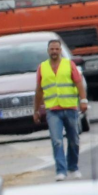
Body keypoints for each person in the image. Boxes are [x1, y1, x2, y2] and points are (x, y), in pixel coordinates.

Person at [33, 39, 88, 182]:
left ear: (60, 50)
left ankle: (73, 167)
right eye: (52, 49)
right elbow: (39, 90)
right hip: (53, 110)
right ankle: (61, 170)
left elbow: (78, 83)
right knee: (57, 141)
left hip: (70, 108)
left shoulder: (69, 64)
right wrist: (36, 110)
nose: (54, 52)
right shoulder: (42, 67)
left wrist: (83, 100)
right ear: (48, 51)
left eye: (57, 49)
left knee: (74, 140)